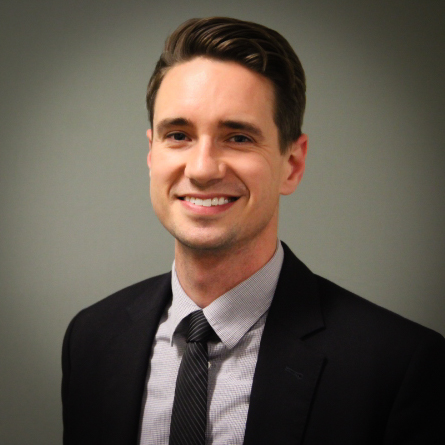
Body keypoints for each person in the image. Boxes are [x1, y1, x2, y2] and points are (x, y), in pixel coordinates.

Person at [62, 17, 445, 445]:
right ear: (152, 153)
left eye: (239, 137)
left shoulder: (399, 364)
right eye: (178, 135)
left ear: (292, 165)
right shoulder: (91, 338)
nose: (203, 168)